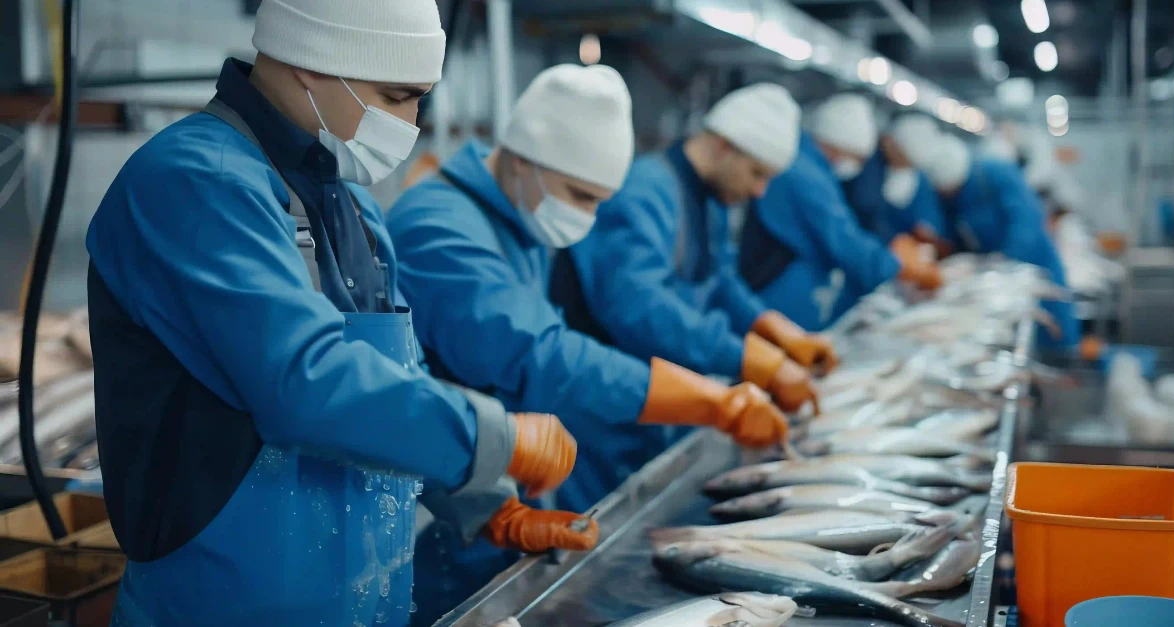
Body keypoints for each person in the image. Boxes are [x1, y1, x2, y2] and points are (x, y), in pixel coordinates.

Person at [84, 1, 593, 625]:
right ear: (313, 65)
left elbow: (394, 383)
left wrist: (486, 505)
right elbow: (306, 382)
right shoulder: (198, 183)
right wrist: (496, 436)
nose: (411, 123)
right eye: (398, 95)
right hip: (219, 607)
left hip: (360, 604)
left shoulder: (353, 209)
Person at [387, 64, 796, 624]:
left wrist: (490, 508)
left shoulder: (517, 219)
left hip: (476, 486)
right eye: (579, 195)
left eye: (599, 201)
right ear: (525, 158)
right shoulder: (441, 227)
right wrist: (712, 400)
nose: (586, 218)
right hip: (435, 489)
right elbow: (540, 352)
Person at [550, 82, 835, 414]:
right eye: (757, 173)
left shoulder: (711, 200)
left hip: (659, 395)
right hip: (604, 402)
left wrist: (768, 323)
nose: (760, 191)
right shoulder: (646, 191)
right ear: (724, 146)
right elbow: (637, 305)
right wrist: (745, 359)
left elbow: (719, 278)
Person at [738, 94, 943, 331]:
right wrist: (897, 264)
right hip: (777, 292)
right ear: (837, 147)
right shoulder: (807, 177)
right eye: (855, 158)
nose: (854, 166)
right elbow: (843, 238)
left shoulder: (808, 166)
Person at [917, 132, 1081, 348]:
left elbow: (1026, 222)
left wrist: (1003, 261)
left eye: (954, 189)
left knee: (1054, 334)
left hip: (1035, 266)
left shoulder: (998, 174)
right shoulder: (948, 197)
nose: (951, 194)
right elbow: (951, 233)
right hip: (994, 276)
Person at [843, 114, 949, 247]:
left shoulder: (905, 174)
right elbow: (866, 209)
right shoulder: (866, 162)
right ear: (892, 144)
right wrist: (895, 243)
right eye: (904, 161)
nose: (904, 167)